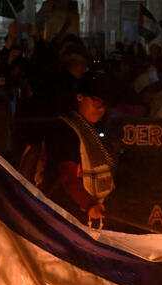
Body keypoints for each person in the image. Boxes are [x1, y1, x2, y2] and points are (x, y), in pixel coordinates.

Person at [37, 71, 115, 226]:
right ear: (80, 97)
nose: (100, 109)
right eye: (97, 102)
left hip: (85, 213)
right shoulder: (66, 130)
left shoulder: (92, 130)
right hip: (65, 214)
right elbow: (67, 175)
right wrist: (89, 204)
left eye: (104, 105)